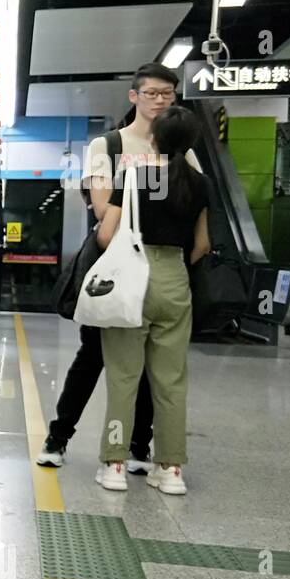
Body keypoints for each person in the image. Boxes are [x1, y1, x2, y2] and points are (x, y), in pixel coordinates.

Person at [35, 62, 201, 473]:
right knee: (93, 354)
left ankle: (137, 446)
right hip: (116, 266)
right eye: (152, 93)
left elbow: (193, 206)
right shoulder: (107, 144)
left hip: (160, 268)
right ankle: (58, 438)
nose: (160, 100)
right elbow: (101, 205)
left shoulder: (186, 152)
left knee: (150, 361)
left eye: (168, 94)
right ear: (134, 97)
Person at [94, 103, 210, 494]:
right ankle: (171, 469)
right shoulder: (200, 184)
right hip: (175, 279)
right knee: (172, 381)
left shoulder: (132, 175)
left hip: (134, 279)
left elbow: (107, 236)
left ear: (153, 139)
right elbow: (202, 245)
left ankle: (114, 464)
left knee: (124, 378)